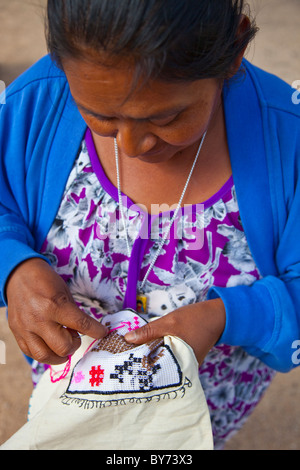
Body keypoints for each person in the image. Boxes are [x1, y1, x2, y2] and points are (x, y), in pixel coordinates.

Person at [0, 0, 299, 449]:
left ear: (234, 48)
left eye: (165, 118)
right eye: (101, 115)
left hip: (204, 414)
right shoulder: (33, 105)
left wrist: (226, 318)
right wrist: (13, 267)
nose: (132, 145)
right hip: (72, 399)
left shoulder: (287, 138)